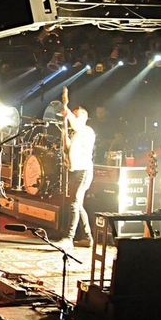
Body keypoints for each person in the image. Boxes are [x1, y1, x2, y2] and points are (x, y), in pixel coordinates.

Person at [59, 88, 96, 249]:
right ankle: (88, 237)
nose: (73, 117)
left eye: (76, 115)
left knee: (74, 202)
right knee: (78, 204)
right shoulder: (76, 134)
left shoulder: (87, 131)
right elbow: (68, 150)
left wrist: (66, 108)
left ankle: (69, 237)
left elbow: (74, 122)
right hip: (76, 170)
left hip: (84, 171)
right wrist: (64, 137)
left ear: (84, 118)